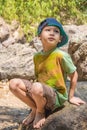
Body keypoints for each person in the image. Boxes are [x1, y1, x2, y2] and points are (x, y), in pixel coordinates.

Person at [9, 18, 85, 129]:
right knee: (13, 83)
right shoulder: (37, 56)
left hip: (56, 95)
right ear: (39, 36)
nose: (52, 33)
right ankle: (34, 108)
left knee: (36, 87)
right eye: (48, 30)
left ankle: (40, 112)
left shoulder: (61, 55)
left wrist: (71, 96)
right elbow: (38, 77)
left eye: (56, 31)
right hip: (40, 90)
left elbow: (74, 75)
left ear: (60, 39)